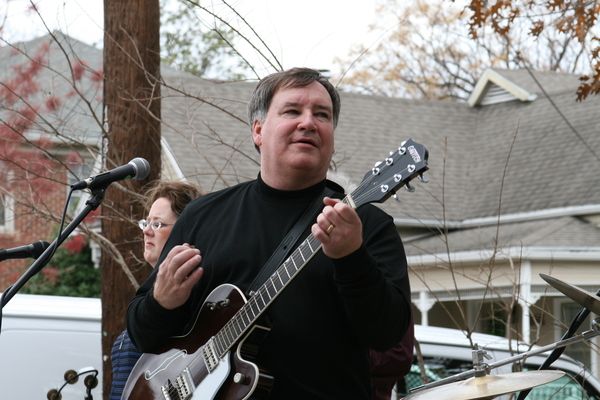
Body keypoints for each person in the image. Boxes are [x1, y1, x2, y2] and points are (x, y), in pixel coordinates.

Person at [127, 67, 412, 399]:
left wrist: (352, 258)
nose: (308, 122)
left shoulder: (365, 226)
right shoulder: (202, 216)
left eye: (322, 114)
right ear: (258, 130)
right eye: (292, 111)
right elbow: (141, 334)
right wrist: (161, 302)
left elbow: (388, 336)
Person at [109, 180, 201, 400]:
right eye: (146, 223)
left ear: (184, 231)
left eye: (158, 224)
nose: (146, 231)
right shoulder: (146, 299)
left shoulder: (194, 300)